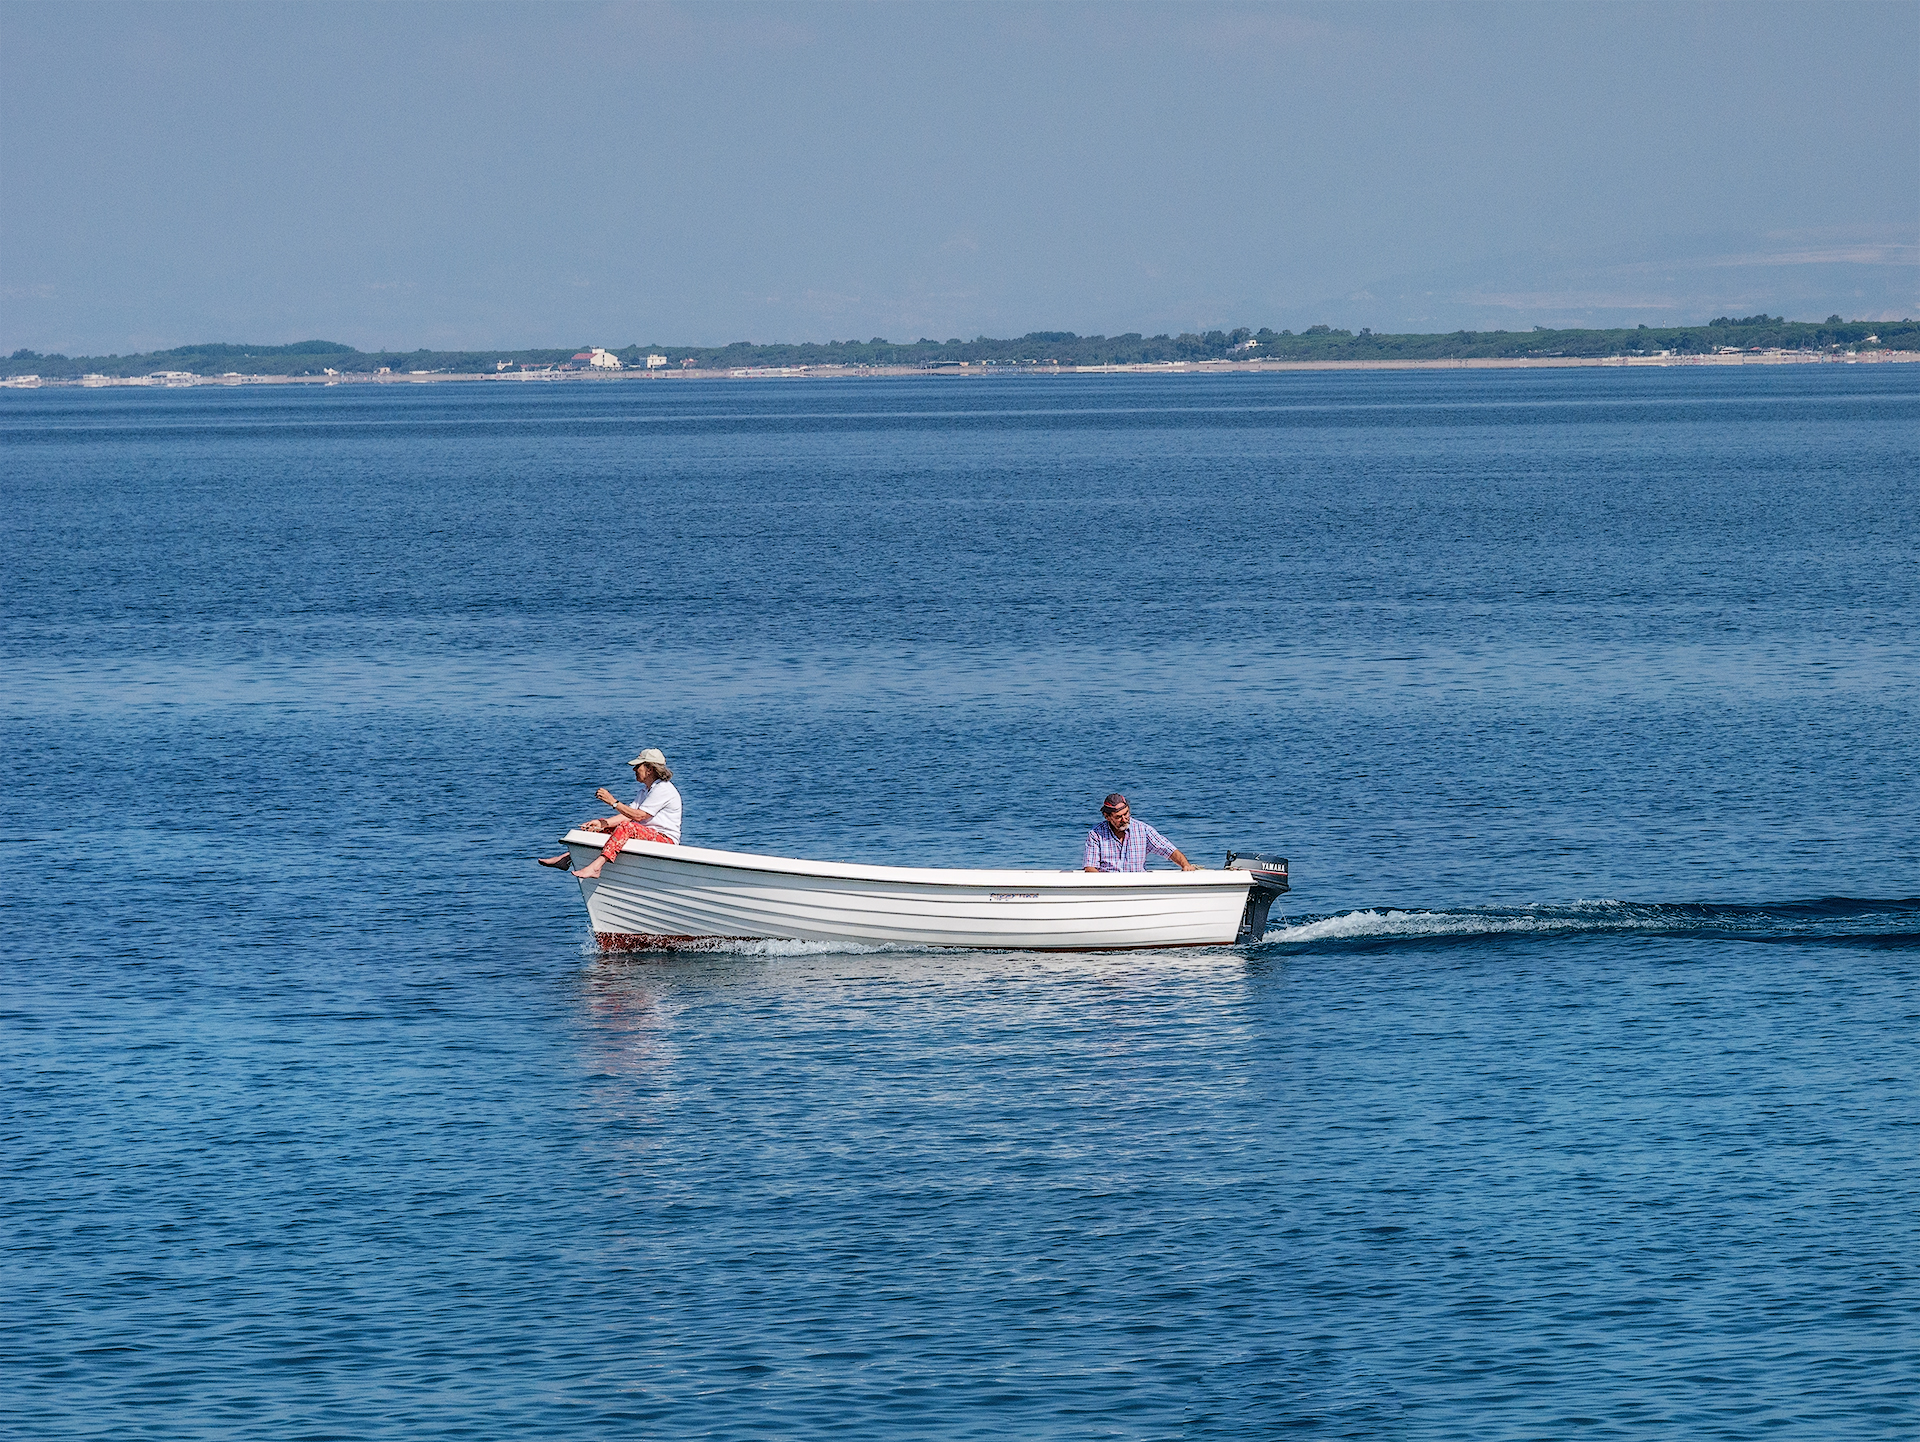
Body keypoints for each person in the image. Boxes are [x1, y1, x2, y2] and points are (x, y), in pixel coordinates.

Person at [538, 748, 683, 878]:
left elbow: (638, 816)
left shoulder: (663, 789)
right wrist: (602, 823)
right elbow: (628, 815)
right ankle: (568, 858)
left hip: (665, 839)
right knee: (602, 827)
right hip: (647, 833)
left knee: (626, 827)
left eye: (637, 766)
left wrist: (613, 802)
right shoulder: (645, 790)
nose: (634, 770)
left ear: (650, 769)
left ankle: (596, 867)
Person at [1082, 793, 1199, 873]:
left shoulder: (1143, 830)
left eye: (1126, 814)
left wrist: (1185, 865)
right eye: (1118, 817)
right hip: (1109, 887)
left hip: (1137, 885)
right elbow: (1090, 868)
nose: (1124, 819)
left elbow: (1168, 849)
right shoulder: (1096, 834)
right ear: (1107, 816)